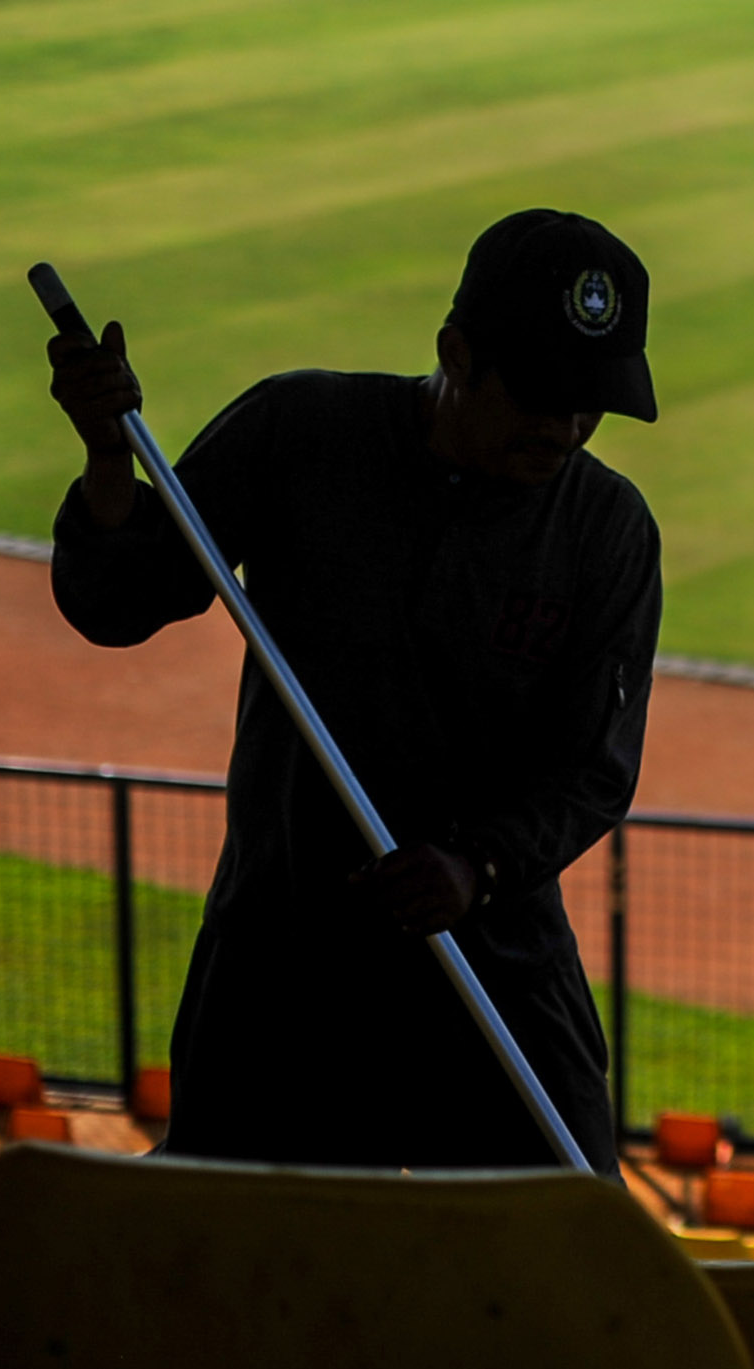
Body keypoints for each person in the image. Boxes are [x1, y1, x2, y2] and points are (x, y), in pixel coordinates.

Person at [44, 209, 663, 1169]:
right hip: (285, 960)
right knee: (241, 1257)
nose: (567, 426)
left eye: (593, 402)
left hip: (491, 964)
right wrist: (104, 453)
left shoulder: (608, 529)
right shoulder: (300, 431)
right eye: (541, 392)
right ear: (456, 351)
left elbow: (591, 772)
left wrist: (475, 868)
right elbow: (123, 595)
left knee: (567, 1261)